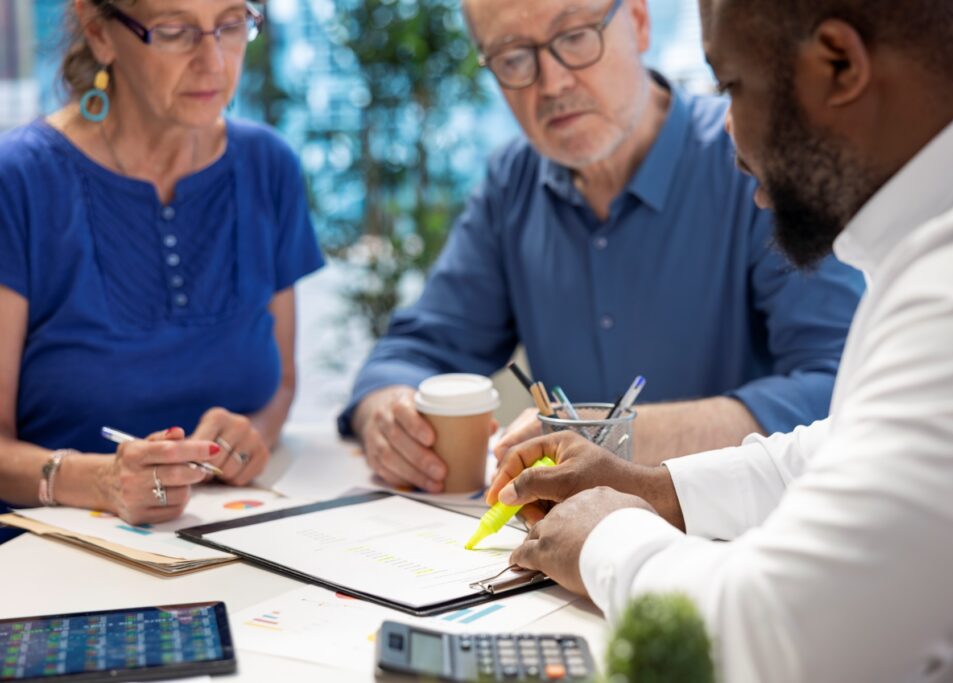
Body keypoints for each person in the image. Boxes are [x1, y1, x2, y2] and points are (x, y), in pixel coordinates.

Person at [486, 0, 953, 680]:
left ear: (839, 64)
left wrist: (606, 534)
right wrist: (655, 489)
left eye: (732, 86)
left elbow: (777, 642)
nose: (733, 142)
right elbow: (849, 447)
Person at [338, 0, 864, 493]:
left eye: (575, 37)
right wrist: (387, 414)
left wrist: (612, 437)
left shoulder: (752, 163)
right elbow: (416, 349)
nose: (552, 81)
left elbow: (840, 391)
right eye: (513, 57)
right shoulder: (513, 182)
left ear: (638, 21)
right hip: (574, 552)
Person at [0, 0, 323, 536]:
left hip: (230, 541)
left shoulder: (270, 166)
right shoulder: (20, 181)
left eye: (232, 24)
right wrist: (99, 479)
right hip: (50, 561)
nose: (214, 62)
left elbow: (282, 384)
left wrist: (256, 435)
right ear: (99, 31)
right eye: (174, 31)